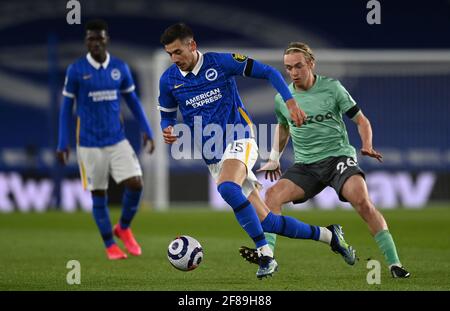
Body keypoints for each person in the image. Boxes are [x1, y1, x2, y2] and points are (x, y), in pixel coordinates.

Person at [158, 23, 356, 279]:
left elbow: (270, 72)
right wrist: (168, 128)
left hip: (240, 136)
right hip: (213, 154)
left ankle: (265, 254)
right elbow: (167, 114)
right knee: (269, 222)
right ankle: (331, 236)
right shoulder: (168, 80)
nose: (175, 59)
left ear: (192, 45)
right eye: (170, 54)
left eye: (178, 52)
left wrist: (291, 101)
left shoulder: (220, 63)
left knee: (227, 188)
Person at [239, 42, 410, 278]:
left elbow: (362, 121)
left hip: (338, 158)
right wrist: (274, 158)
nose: (293, 73)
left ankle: (394, 264)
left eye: (298, 66)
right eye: (288, 68)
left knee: (361, 201)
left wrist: (367, 145)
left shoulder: (332, 88)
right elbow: (283, 127)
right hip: (306, 166)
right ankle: (267, 256)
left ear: (311, 63)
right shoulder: (283, 99)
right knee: (272, 196)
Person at [56, 19, 155, 260]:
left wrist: (146, 129)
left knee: (136, 183)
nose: (95, 43)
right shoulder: (76, 70)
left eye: (99, 38)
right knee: (98, 194)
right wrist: (62, 142)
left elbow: (133, 101)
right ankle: (110, 245)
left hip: (117, 140)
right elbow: (66, 108)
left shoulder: (119, 68)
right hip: (89, 144)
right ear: (86, 41)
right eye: (91, 38)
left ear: (106, 39)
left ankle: (122, 227)